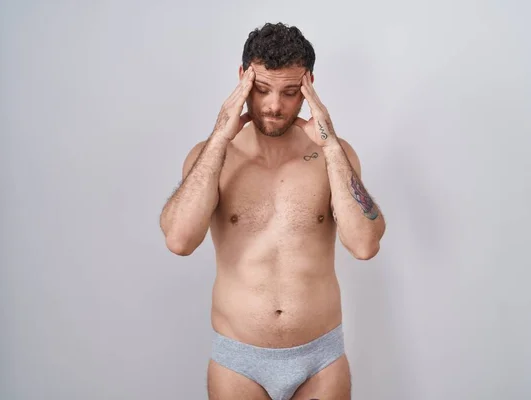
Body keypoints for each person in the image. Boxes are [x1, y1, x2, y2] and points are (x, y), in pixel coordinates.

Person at [159, 22, 386, 400]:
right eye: (262, 89)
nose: (274, 105)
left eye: (291, 92)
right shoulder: (212, 156)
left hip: (320, 358)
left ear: (308, 86)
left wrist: (331, 146)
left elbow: (364, 245)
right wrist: (219, 136)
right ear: (243, 78)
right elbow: (179, 240)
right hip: (239, 362)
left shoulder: (334, 156)